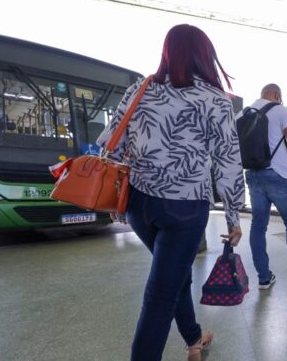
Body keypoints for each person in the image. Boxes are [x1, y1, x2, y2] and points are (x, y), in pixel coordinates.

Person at [96, 24, 244, 361]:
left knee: (172, 275)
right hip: (185, 208)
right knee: (161, 293)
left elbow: (112, 144)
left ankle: (194, 338)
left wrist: (113, 199)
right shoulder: (215, 100)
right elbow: (228, 162)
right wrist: (234, 216)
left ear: (167, 53)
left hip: (139, 204)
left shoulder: (139, 89)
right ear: (206, 56)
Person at [242, 83, 287, 289]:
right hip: (278, 176)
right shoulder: (282, 111)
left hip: (252, 175)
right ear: (277, 95)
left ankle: (264, 278)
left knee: (258, 226)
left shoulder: (242, 114)